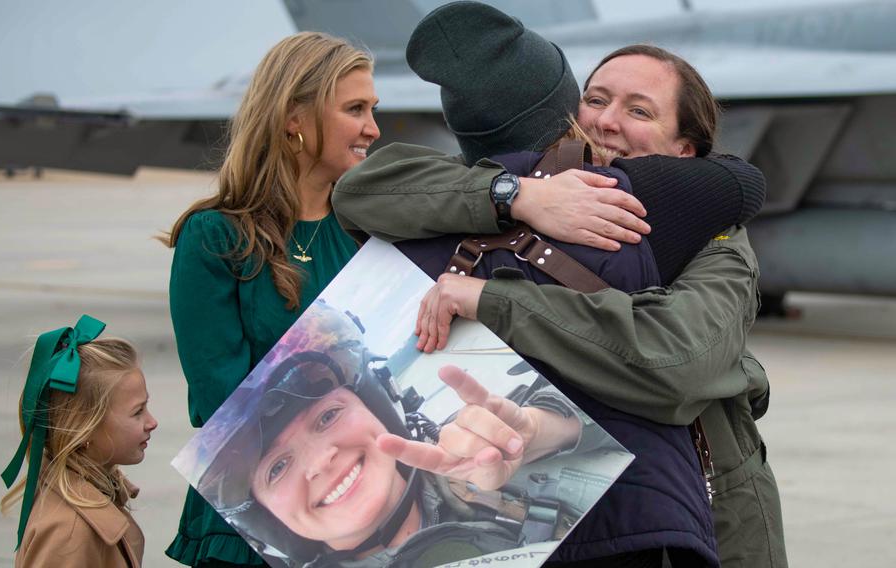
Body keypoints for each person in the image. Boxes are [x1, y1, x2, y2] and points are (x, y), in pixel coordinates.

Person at [332, 3, 786, 568]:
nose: (605, 121)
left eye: (638, 110)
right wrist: (518, 197)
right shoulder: (507, 187)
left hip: (699, 519)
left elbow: (678, 358)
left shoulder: (712, 234)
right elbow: (360, 191)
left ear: (683, 151)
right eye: (595, 100)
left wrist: (495, 299)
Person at [159, 32, 380, 567]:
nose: (373, 128)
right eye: (355, 109)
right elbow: (220, 400)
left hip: (362, 499)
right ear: (294, 119)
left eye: (373, 109)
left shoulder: (370, 231)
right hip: (259, 521)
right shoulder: (215, 236)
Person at [196, 301, 625, 568]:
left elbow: (632, 414)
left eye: (327, 417)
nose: (320, 460)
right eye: (277, 467)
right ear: (262, 515)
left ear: (374, 405)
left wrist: (544, 429)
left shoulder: (479, 452)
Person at [0, 315, 158, 568]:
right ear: (84, 430)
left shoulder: (95, 496)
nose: (152, 422)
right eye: (138, 412)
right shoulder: (68, 533)